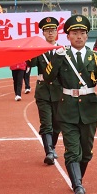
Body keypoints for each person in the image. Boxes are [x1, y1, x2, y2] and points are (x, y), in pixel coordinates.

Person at [43, 15, 97, 194]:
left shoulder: (95, 57)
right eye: (75, 33)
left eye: (82, 33)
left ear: (87, 35)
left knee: (86, 152)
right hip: (67, 110)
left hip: (89, 110)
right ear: (68, 36)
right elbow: (49, 78)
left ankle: (77, 178)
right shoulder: (61, 55)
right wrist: (56, 59)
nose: (79, 36)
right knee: (72, 150)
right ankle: (78, 186)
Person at [27, 17, 63, 165]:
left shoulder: (61, 50)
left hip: (58, 91)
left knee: (57, 124)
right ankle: (49, 152)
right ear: (43, 33)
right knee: (46, 123)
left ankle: (52, 147)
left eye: (53, 30)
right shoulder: (39, 50)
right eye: (47, 31)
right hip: (43, 90)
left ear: (56, 32)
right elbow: (30, 62)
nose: (50, 33)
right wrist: (32, 49)